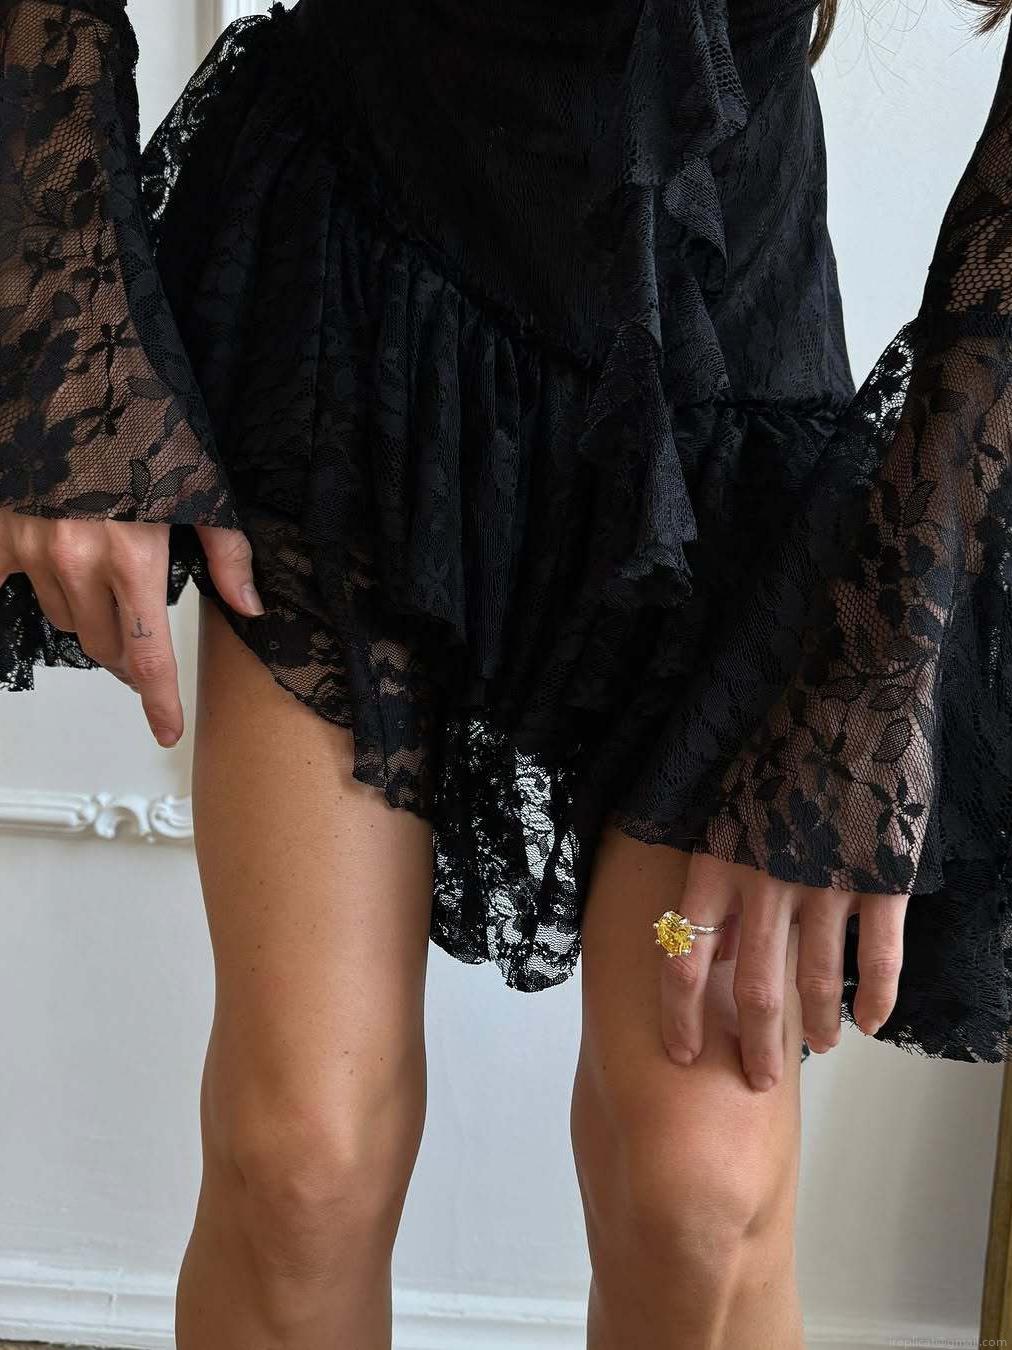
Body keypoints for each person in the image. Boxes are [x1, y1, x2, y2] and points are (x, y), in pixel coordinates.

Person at [1, 0, 1011, 1343]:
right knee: (303, 1162)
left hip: (724, 407)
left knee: (700, 1198)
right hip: (357, 327)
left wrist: (891, 660)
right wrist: (61, 330)